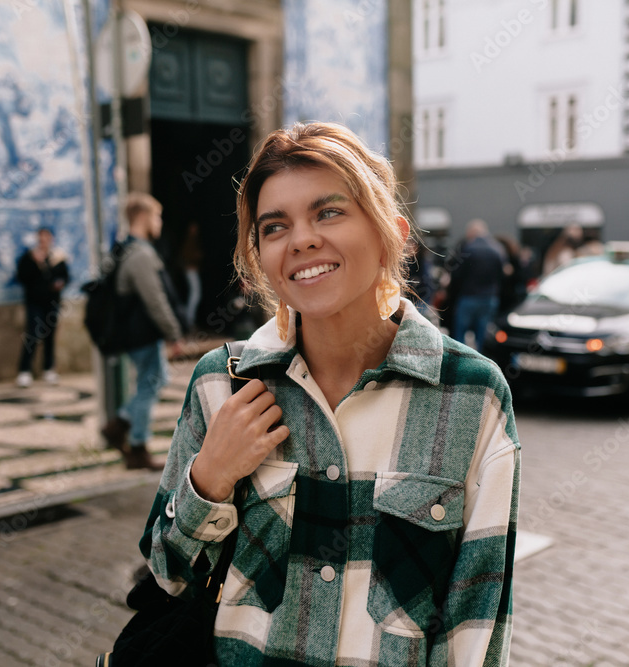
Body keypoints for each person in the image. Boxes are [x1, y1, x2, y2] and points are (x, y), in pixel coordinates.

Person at [139, 122, 521, 665]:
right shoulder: (220, 384)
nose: (301, 239)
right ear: (261, 258)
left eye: (329, 212)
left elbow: (476, 629)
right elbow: (166, 575)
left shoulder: (471, 396)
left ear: (392, 231)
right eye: (275, 227)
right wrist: (211, 479)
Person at [100, 193, 185, 470]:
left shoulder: (129, 250)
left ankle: (121, 425)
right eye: (157, 216)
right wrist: (173, 333)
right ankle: (136, 444)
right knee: (149, 385)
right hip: (142, 335)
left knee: (154, 380)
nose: (159, 223)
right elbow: (155, 299)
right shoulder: (140, 255)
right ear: (144, 217)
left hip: (138, 335)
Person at [15, 226, 69, 388]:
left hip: (52, 302)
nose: (44, 241)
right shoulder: (29, 257)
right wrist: (35, 263)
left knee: (50, 335)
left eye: (47, 238)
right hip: (34, 302)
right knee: (32, 333)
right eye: (41, 238)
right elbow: (22, 276)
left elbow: (65, 276)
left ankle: (48, 369)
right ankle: (24, 370)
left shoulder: (58, 257)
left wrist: (59, 283)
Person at [446, 219, 506, 355]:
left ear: (472, 233)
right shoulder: (497, 249)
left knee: (460, 335)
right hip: (489, 298)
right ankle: (482, 364)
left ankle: (459, 362)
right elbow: (502, 275)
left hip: (468, 297)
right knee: (482, 335)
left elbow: (456, 275)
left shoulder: (468, 249)